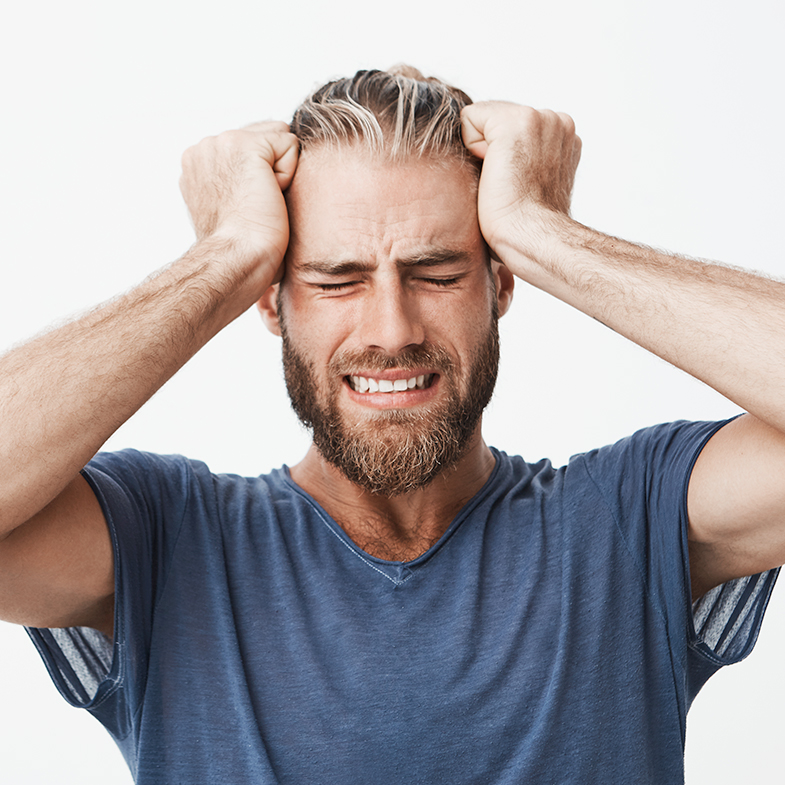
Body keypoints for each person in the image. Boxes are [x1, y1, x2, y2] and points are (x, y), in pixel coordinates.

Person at [0, 64, 783, 783]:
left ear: (500, 282)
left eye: (436, 272)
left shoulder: (632, 515)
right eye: (335, 279)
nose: (391, 327)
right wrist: (225, 253)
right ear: (269, 299)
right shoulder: (163, 539)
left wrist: (545, 230)